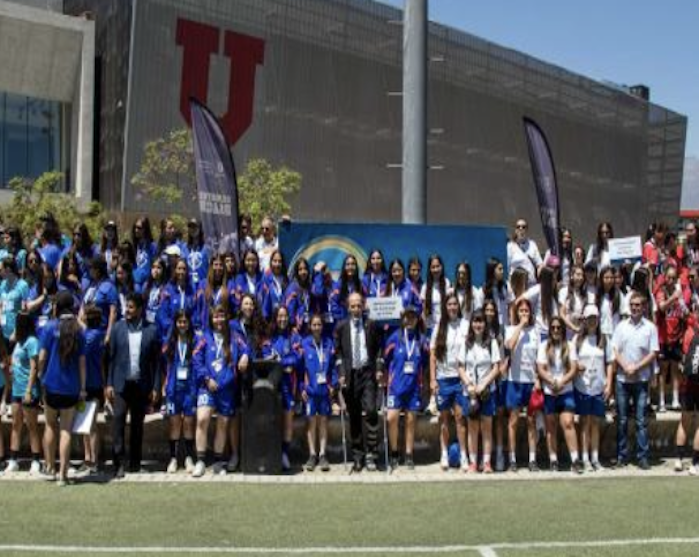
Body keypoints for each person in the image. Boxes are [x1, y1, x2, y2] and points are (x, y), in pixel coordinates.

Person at [106, 293, 161, 478]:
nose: (127, 311)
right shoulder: (117, 329)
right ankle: (118, 463)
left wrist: (155, 387)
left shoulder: (151, 330)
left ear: (139, 309)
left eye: (130, 307)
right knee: (118, 421)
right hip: (121, 385)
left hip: (141, 385)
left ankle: (135, 462)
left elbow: (156, 363)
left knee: (138, 425)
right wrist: (109, 384)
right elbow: (111, 359)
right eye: (126, 307)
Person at [38, 291, 87, 486]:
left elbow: (41, 357)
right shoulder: (79, 330)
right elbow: (82, 363)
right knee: (66, 429)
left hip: (51, 385)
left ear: (58, 306)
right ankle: (63, 475)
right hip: (71, 387)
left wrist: (41, 379)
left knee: (50, 425)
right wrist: (82, 388)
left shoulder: (50, 327)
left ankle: (50, 467)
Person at [193, 304, 248, 477]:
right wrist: (206, 378)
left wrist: (245, 355)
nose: (219, 320)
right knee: (202, 419)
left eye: (221, 316)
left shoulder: (234, 336)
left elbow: (246, 348)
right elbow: (196, 358)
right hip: (207, 387)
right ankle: (200, 460)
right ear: (211, 319)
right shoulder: (204, 337)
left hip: (227, 388)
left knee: (223, 425)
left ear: (226, 318)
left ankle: (218, 462)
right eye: (215, 317)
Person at [335, 292, 384, 472]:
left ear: (363, 306)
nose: (356, 309)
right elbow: (338, 352)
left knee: (371, 410)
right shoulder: (341, 327)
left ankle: (372, 453)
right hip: (350, 376)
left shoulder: (371, 325)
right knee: (354, 415)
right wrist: (340, 373)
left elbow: (379, 349)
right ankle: (358, 455)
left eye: (359, 305)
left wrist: (379, 368)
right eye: (353, 306)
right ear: (348, 308)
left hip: (368, 374)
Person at [612, 291, 659, 470]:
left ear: (644, 307)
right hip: (623, 379)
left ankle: (642, 457)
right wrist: (626, 366)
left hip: (641, 379)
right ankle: (622, 456)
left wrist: (636, 367)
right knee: (622, 420)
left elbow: (653, 352)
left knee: (641, 420)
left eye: (638, 305)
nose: (634, 308)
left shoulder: (650, 328)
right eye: (632, 305)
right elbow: (615, 350)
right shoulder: (621, 326)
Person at [384, 304, 428, 470]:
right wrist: (383, 375)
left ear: (417, 320)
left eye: (413, 317)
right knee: (391, 418)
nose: (409, 320)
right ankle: (394, 453)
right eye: (406, 317)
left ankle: (409, 454)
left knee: (410, 420)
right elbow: (385, 358)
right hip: (396, 387)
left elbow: (425, 362)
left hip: (414, 387)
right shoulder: (394, 338)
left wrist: (425, 385)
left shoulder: (422, 340)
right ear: (402, 319)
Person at [536, 316, 582, 473]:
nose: (556, 330)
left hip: (566, 390)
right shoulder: (544, 346)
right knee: (551, 426)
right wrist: (551, 381)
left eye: (559, 328)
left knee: (568, 422)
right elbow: (540, 368)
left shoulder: (570, 345)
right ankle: (553, 460)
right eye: (553, 328)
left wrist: (561, 382)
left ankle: (575, 459)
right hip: (549, 391)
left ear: (563, 329)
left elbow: (574, 368)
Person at [430, 293, 469, 471]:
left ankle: (464, 455)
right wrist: (432, 379)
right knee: (444, 419)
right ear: (445, 307)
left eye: (455, 304)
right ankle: (444, 454)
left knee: (460, 418)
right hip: (443, 379)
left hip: (460, 378)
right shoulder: (439, 326)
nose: (452, 307)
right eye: (449, 304)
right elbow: (432, 355)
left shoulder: (465, 325)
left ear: (458, 307)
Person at [460, 310, 501, 474]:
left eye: (481, 321)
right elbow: (460, 367)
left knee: (486, 427)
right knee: (472, 428)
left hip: (487, 391)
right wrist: (469, 384)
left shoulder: (491, 343)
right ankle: (472, 463)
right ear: (471, 324)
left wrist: (484, 384)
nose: (478, 325)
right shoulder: (466, 343)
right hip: (469, 392)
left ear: (485, 324)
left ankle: (487, 462)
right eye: (475, 321)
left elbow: (496, 367)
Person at [574, 305, 614, 471]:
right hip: (582, 387)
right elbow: (572, 360)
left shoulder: (604, 339)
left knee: (595, 423)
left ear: (598, 320)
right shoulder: (577, 339)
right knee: (584, 423)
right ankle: (584, 459)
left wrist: (609, 384)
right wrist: (578, 367)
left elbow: (610, 363)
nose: (592, 321)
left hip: (598, 387)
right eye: (589, 318)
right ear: (584, 319)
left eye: (594, 318)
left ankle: (595, 458)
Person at [504, 299, 540, 472]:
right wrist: (520, 326)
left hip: (531, 382)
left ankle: (532, 459)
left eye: (527, 311)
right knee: (513, 421)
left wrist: (538, 380)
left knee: (532, 421)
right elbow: (510, 345)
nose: (524, 313)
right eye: (521, 311)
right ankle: (512, 459)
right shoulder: (510, 329)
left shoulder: (536, 331)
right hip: (515, 381)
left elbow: (539, 358)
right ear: (517, 313)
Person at [264, 305, 301, 471]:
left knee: (287, 419)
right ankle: (272, 452)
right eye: (279, 316)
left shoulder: (293, 336)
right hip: (271, 384)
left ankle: (285, 453)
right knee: (271, 419)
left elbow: (298, 358)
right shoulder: (268, 336)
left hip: (288, 385)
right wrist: (282, 362)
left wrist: (281, 362)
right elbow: (264, 358)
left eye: (285, 316)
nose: (282, 319)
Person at [5, 312, 41, 475]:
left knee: (32, 426)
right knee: (15, 425)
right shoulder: (18, 342)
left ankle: (35, 460)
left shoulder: (32, 341)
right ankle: (13, 460)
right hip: (16, 390)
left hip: (28, 390)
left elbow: (34, 367)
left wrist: (28, 390)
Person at [162, 310, 197, 475]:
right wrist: (164, 386)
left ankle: (189, 458)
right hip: (173, 389)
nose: (182, 324)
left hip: (189, 388)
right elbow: (165, 367)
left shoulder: (195, 341)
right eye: (179, 322)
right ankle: (173, 458)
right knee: (175, 423)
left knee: (189, 423)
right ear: (175, 324)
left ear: (189, 324)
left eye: (185, 321)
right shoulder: (169, 342)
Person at [301, 314, 337, 472]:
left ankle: (322, 454)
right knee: (311, 422)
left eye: (319, 324)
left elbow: (333, 367)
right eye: (314, 325)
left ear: (322, 326)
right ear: (310, 326)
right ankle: (312, 454)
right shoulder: (304, 344)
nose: (316, 327)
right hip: (310, 390)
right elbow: (300, 368)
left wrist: (333, 385)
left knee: (323, 421)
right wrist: (302, 387)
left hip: (324, 390)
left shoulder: (328, 343)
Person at [655, 264, 689, 412]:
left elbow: (685, 313)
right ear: (664, 277)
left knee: (675, 369)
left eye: (673, 277)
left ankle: (675, 400)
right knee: (663, 370)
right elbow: (662, 307)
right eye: (668, 277)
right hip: (663, 337)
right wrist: (674, 298)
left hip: (676, 336)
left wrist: (680, 302)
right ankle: (661, 401)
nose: (670, 279)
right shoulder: (661, 292)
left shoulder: (679, 293)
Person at [79, 305, 106, 475]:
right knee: (83, 423)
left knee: (92, 424)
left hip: (94, 385)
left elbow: (85, 347)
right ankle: (87, 458)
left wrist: (79, 323)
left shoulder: (95, 335)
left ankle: (94, 460)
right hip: (82, 386)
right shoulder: (86, 335)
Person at [675, 300, 699, 475]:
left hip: (687, 381)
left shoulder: (689, 331)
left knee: (685, 420)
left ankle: (678, 459)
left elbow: (684, 357)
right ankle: (695, 463)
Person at [507, 218, 542, 286]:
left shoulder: (532, 244)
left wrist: (540, 274)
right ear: (515, 230)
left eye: (523, 227)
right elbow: (507, 268)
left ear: (527, 230)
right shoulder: (510, 246)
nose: (521, 229)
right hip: (516, 286)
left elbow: (540, 264)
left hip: (530, 285)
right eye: (518, 227)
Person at [185, 218, 211, 288]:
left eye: (195, 227)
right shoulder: (184, 248)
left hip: (203, 285)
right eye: (190, 227)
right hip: (189, 287)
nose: (192, 229)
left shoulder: (206, 248)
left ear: (200, 229)